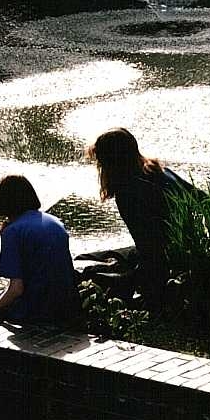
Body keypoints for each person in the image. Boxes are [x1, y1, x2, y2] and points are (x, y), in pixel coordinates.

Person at [85, 127, 197, 311]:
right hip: (184, 250)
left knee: (89, 263)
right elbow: (201, 199)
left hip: (164, 263)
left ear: (111, 163)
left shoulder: (128, 193)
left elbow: (150, 248)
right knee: (110, 257)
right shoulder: (160, 171)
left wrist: (143, 284)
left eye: (100, 162)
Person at [0, 175, 78, 324]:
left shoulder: (13, 230)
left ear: (2, 200)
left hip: (35, 310)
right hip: (66, 306)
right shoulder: (54, 221)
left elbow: (16, 289)